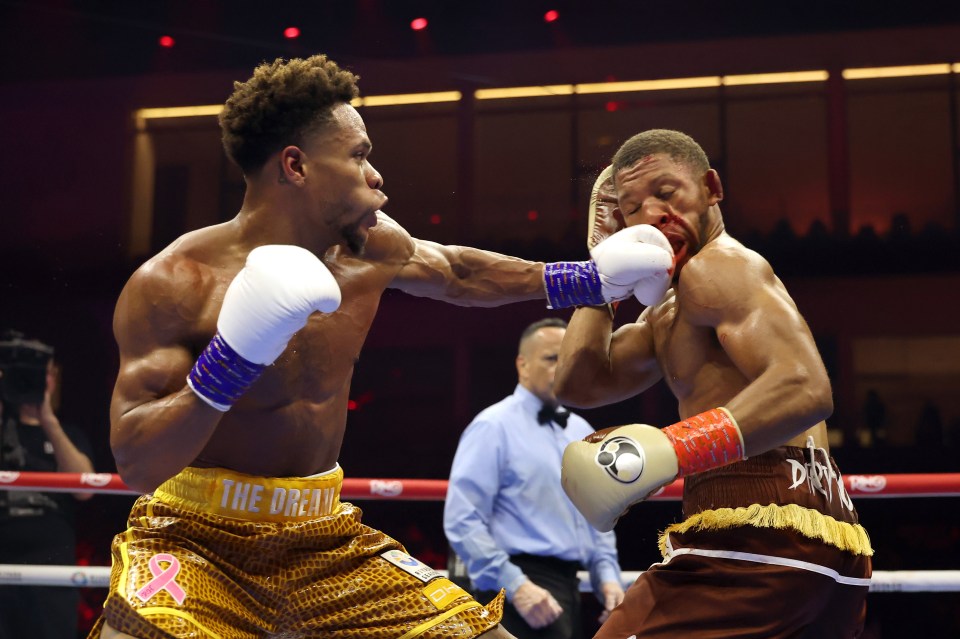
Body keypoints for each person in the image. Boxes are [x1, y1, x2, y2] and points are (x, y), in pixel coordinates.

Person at [88, 54, 669, 639]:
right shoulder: (177, 283)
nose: (376, 176)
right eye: (359, 155)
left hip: (321, 535)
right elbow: (137, 463)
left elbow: (460, 272)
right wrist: (230, 361)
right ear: (295, 166)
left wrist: (590, 279)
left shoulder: (370, 248)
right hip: (196, 536)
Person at [554, 129, 873, 638]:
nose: (651, 213)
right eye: (632, 207)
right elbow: (579, 384)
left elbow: (806, 387)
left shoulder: (719, 267)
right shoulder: (668, 310)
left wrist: (673, 448)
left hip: (758, 536)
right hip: (818, 539)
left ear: (711, 188)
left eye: (666, 191)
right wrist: (601, 277)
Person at [444, 318, 625, 639]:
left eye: (567, 359)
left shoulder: (582, 431)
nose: (561, 367)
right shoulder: (493, 426)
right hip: (511, 587)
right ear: (523, 365)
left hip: (568, 586)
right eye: (551, 358)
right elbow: (462, 520)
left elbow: (598, 514)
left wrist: (607, 576)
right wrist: (516, 585)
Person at [0, 333, 95, 639]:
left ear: (54, 378)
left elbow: (85, 488)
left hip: (50, 556)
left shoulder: (67, 433)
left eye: (45, 373)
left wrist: (47, 419)